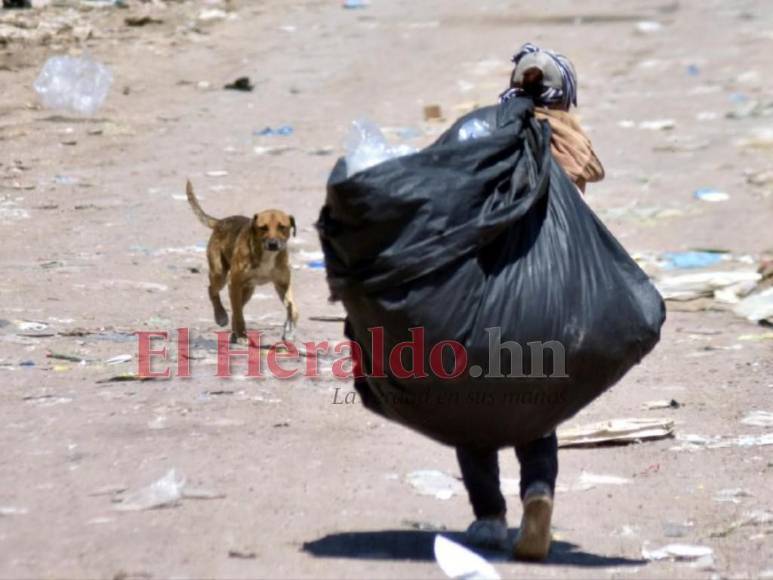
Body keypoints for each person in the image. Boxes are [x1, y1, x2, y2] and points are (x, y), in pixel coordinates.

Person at [457, 43, 605, 561]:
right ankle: (537, 493)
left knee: (473, 410)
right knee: (536, 413)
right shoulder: (570, 148)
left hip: (488, 302)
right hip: (548, 308)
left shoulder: (483, 136)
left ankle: (488, 517)